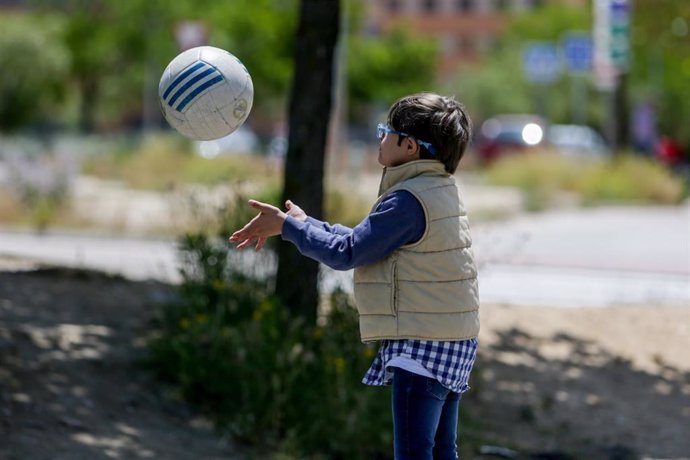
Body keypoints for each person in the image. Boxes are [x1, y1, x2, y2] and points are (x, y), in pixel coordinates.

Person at [229, 92, 479, 460]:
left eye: (385, 131)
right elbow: (364, 241)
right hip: (453, 339)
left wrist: (286, 228)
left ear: (409, 146)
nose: (380, 137)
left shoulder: (407, 200)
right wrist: (303, 223)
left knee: (412, 452)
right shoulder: (439, 189)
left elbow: (347, 254)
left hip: (422, 347)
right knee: (442, 451)